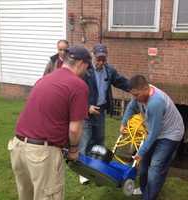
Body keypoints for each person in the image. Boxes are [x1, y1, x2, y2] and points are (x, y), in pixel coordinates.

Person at [8, 46, 91, 200]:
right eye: (87, 66)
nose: (87, 71)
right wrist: (73, 150)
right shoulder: (78, 85)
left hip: (18, 147)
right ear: (80, 63)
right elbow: (74, 129)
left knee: (26, 195)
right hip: (41, 154)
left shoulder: (44, 79)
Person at [120, 75, 184, 200]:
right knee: (144, 163)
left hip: (171, 134)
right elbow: (131, 107)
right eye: (133, 95)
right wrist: (123, 123)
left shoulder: (155, 102)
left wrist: (141, 152)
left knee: (155, 167)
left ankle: (149, 196)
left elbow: (154, 133)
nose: (134, 98)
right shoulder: (140, 96)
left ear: (145, 89)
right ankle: (144, 189)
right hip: (157, 131)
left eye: (136, 95)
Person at [79, 43, 130, 183]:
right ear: (92, 56)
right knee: (85, 140)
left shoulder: (109, 70)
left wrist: (135, 87)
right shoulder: (85, 71)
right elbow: (76, 93)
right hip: (87, 111)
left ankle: (96, 165)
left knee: (99, 139)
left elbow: (121, 82)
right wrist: (86, 107)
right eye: (98, 58)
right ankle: (83, 171)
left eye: (103, 59)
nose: (100, 62)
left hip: (100, 111)